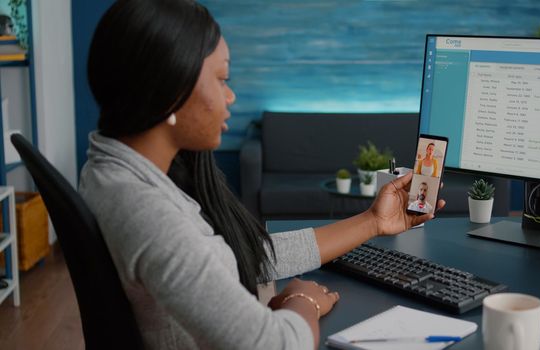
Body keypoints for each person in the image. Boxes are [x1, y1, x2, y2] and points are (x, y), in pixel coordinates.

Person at [79, 1, 445, 349]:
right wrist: (303, 302)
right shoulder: (145, 209)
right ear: (169, 90)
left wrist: (372, 223)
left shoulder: (117, 171)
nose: (231, 96)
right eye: (222, 79)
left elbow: (248, 256)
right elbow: (275, 344)